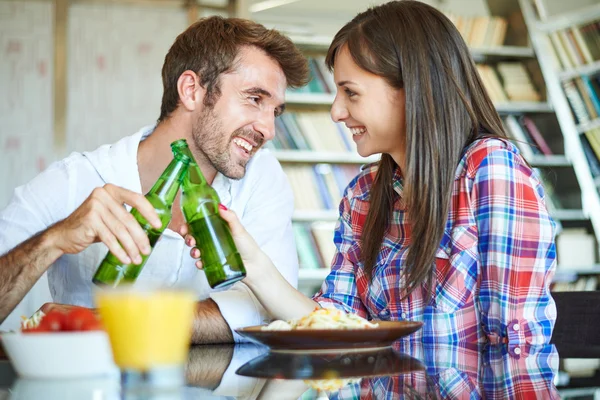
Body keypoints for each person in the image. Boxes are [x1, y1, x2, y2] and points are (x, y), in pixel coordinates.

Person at [188, 0, 557, 346]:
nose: (336, 111)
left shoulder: (491, 171)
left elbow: (515, 347)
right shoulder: (363, 194)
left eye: (351, 93)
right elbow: (337, 328)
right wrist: (252, 263)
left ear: (411, 88)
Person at [0, 15, 309, 343]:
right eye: (254, 99)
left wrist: (110, 322)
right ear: (191, 90)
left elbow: (271, 311)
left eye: (275, 111)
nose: (269, 130)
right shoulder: (75, 180)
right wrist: (53, 240)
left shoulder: (262, 177)